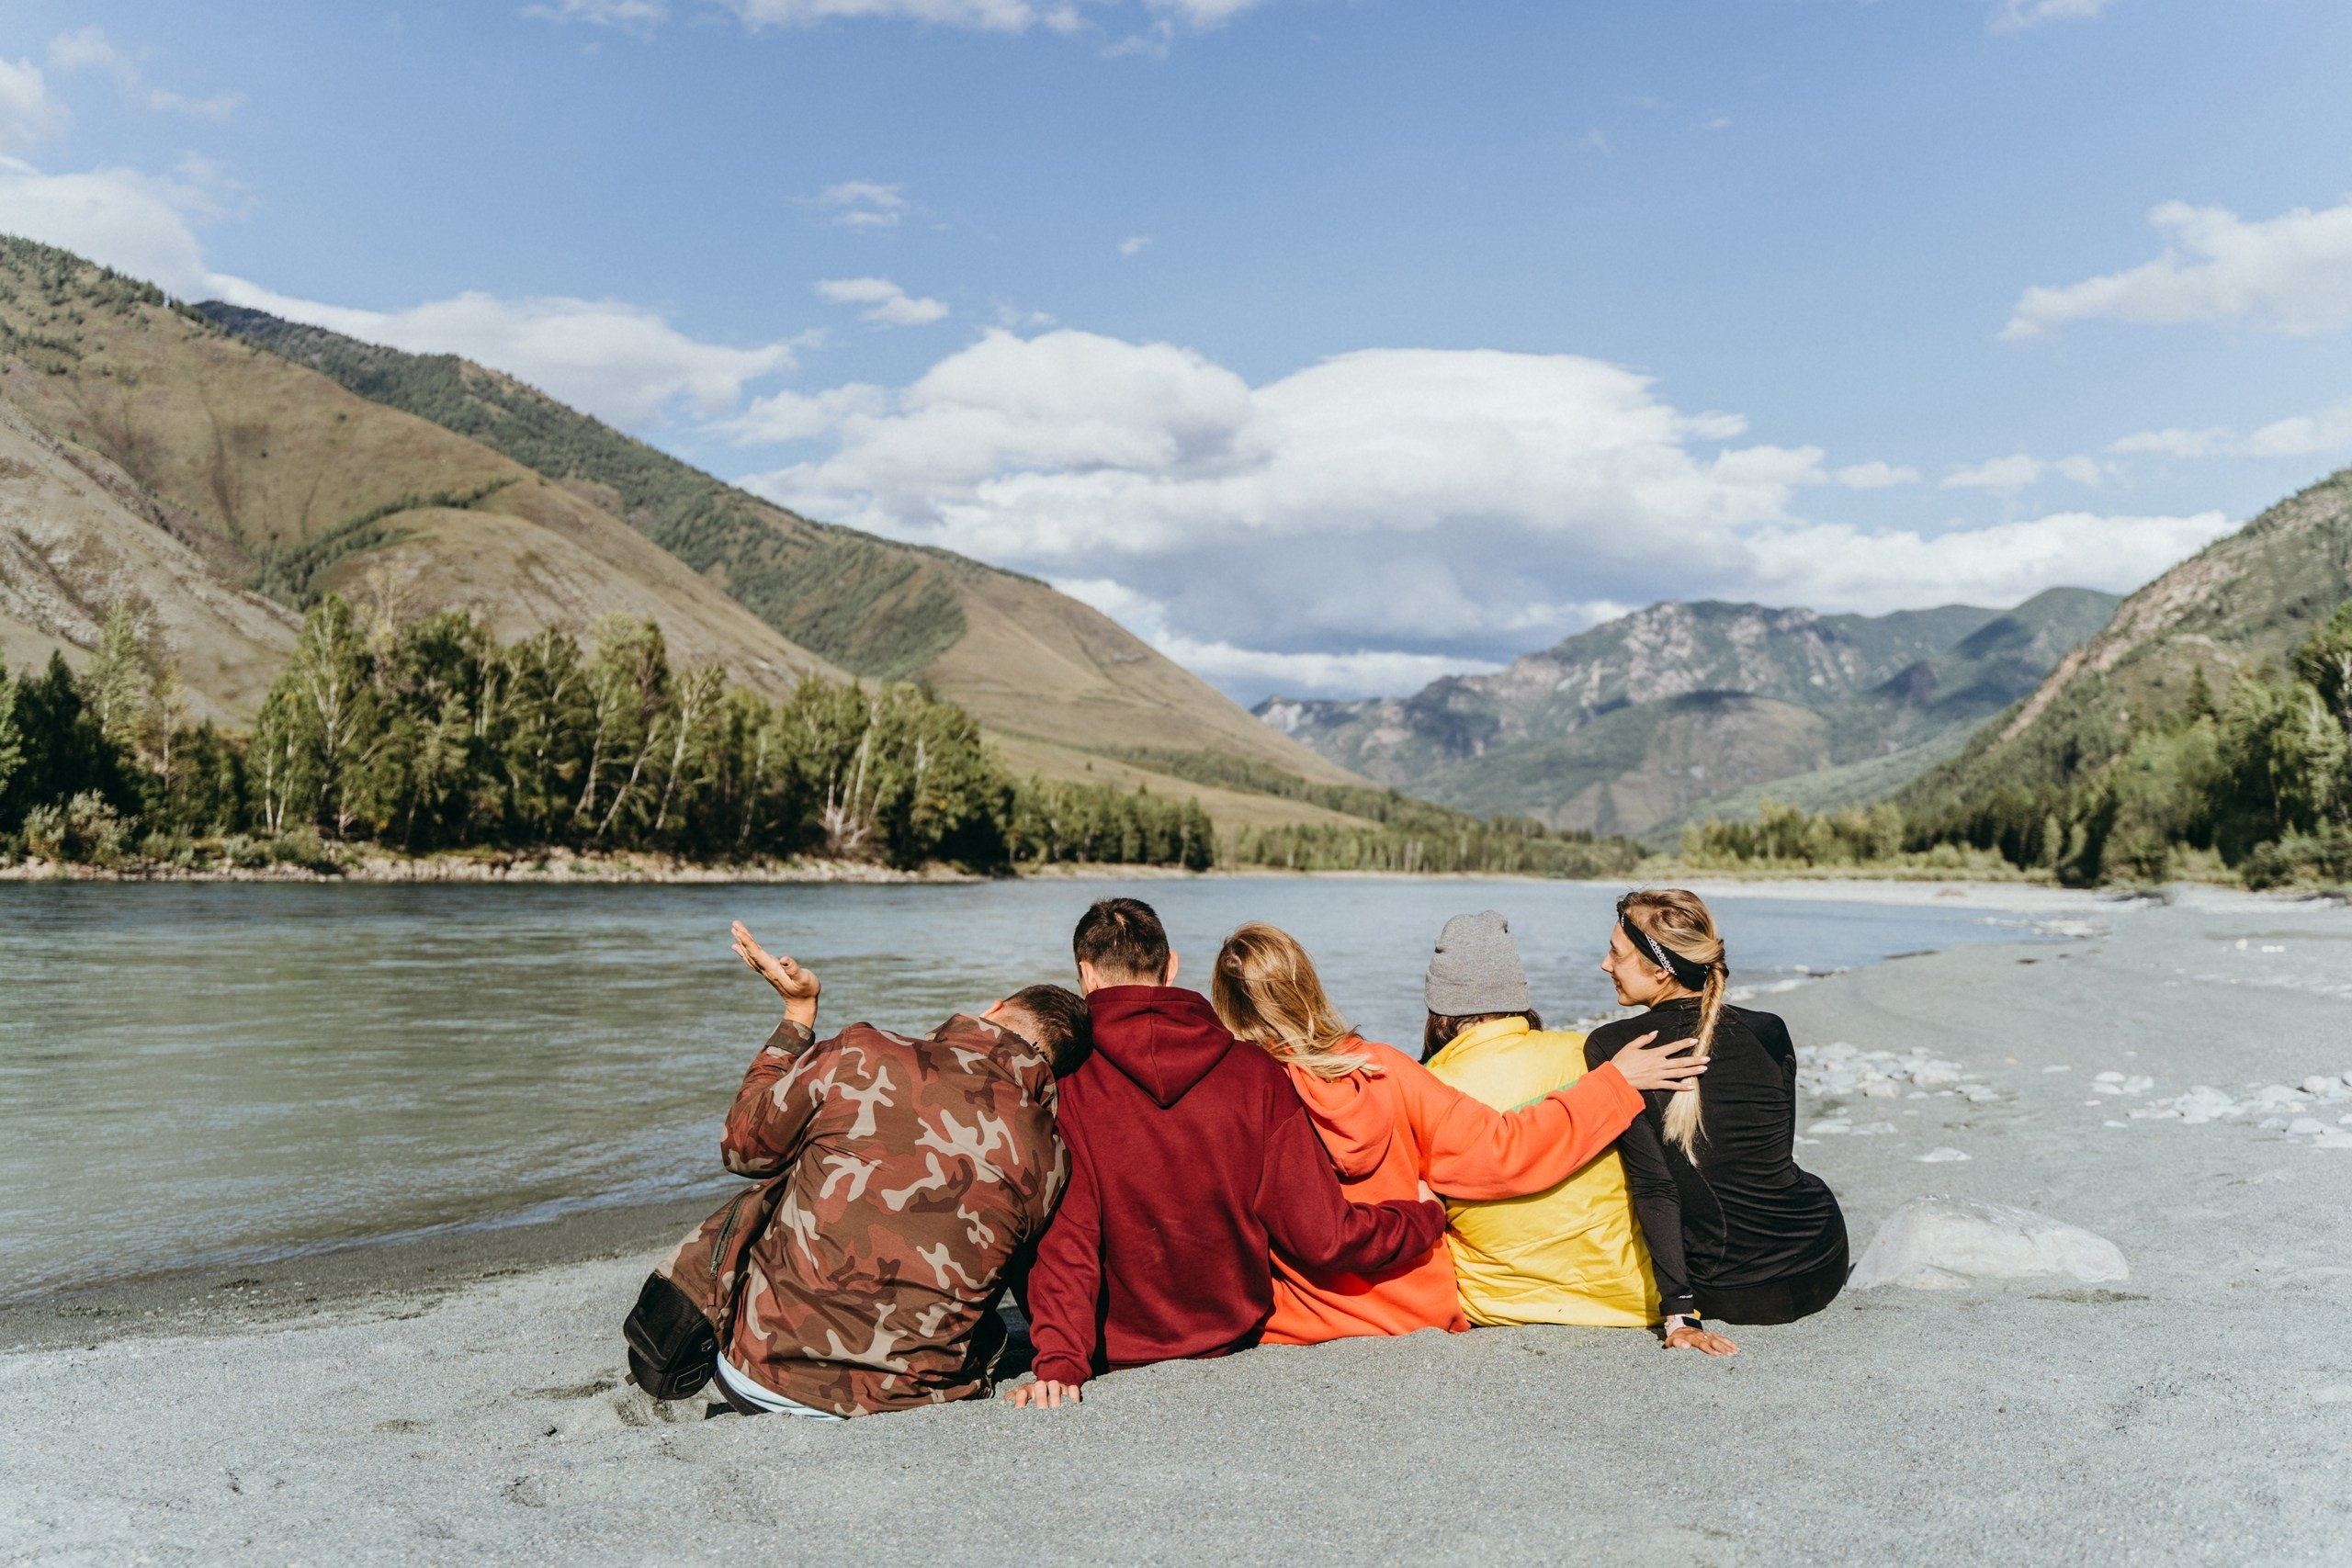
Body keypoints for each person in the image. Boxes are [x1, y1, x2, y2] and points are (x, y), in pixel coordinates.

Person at [1011, 898, 1447, 1408]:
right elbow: (1324, 1237)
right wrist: (1423, 1217)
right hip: (1231, 1329)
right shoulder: (1253, 1073)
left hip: (1114, 1344)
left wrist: (1061, 1364)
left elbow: (1070, 1239)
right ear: (1171, 965)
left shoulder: (1068, 1082)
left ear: (1085, 975)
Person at [657, 921, 1090, 1418]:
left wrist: (798, 1016)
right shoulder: (1051, 1155)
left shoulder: (862, 1051)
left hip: (760, 1377)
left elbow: (742, 1149)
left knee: (797, 1164)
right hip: (911, 1402)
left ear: (991, 1011)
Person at [1206, 921, 1704, 1346]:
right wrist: (1612, 1088)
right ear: (1308, 988)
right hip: (1416, 1308)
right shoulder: (1383, 1069)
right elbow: (1500, 1153)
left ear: (1224, 1005)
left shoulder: (1231, 1093)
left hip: (1298, 1318)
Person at [1585, 889, 1849, 1358]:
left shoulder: (1615, 1046)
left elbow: (1655, 1188)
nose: (1606, 965)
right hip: (1820, 1262)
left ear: (1660, 969)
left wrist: (1680, 1312)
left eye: (1616, 953)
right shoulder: (1770, 1028)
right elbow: (1771, 1161)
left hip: (1732, 1288)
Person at [1419, 910, 1672, 1330]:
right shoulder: (1592, 1054)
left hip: (1497, 1303)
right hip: (1625, 1296)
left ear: (1439, 1008)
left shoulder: (1425, 1087)